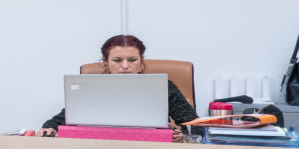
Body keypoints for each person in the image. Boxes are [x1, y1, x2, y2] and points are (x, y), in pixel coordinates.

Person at [40, 34, 196, 136]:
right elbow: (55, 122)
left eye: (132, 60)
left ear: (141, 61)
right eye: (117, 60)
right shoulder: (93, 88)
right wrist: (49, 129)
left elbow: (195, 126)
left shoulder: (162, 86)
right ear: (106, 63)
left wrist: (179, 133)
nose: (125, 66)